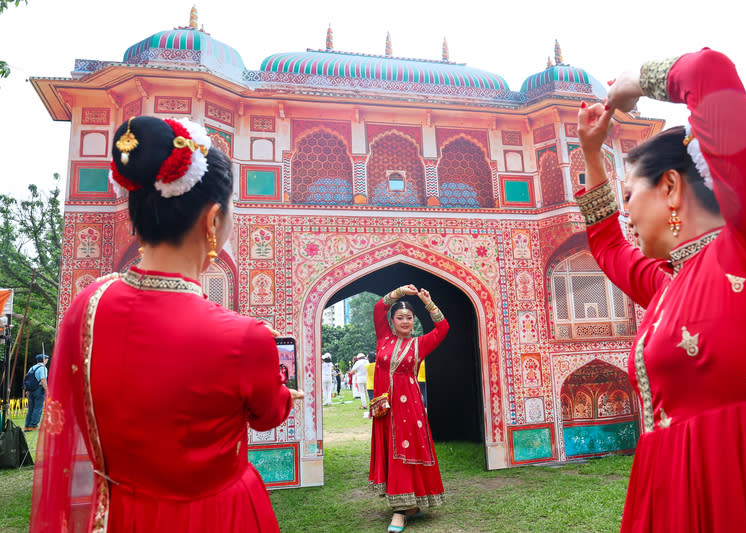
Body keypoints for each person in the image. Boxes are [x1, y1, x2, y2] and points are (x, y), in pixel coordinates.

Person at [30, 116, 304, 533]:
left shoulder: (86, 308)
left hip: (119, 514)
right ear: (213, 221)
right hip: (217, 516)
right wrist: (282, 390)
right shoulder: (245, 337)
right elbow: (268, 414)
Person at [576, 48, 746, 532]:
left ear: (671, 187)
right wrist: (592, 153)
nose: (627, 214)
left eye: (630, 196)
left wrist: (627, 86)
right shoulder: (667, 286)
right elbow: (608, 242)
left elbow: (708, 73)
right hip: (669, 497)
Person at [369, 285, 449, 533]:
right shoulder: (383, 338)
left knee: (404, 453)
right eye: (400, 317)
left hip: (409, 409)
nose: (405, 321)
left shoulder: (420, 344)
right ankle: (408, 505)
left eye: (409, 318)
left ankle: (400, 512)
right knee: (391, 453)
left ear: (414, 321)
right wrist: (400, 292)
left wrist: (428, 302)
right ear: (391, 322)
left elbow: (443, 328)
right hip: (386, 409)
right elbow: (378, 307)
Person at [23, 353, 49, 431]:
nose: (47, 360)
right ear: (44, 360)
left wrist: (27, 390)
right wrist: (47, 390)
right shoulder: (43, 368)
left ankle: (27, 425)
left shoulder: (32, 368)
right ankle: (33, 425)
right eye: (47, 359)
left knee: (31, 408)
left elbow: (27, 379)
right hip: (39, 389)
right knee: (38, 408)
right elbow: (43, 380)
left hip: (30, 390)